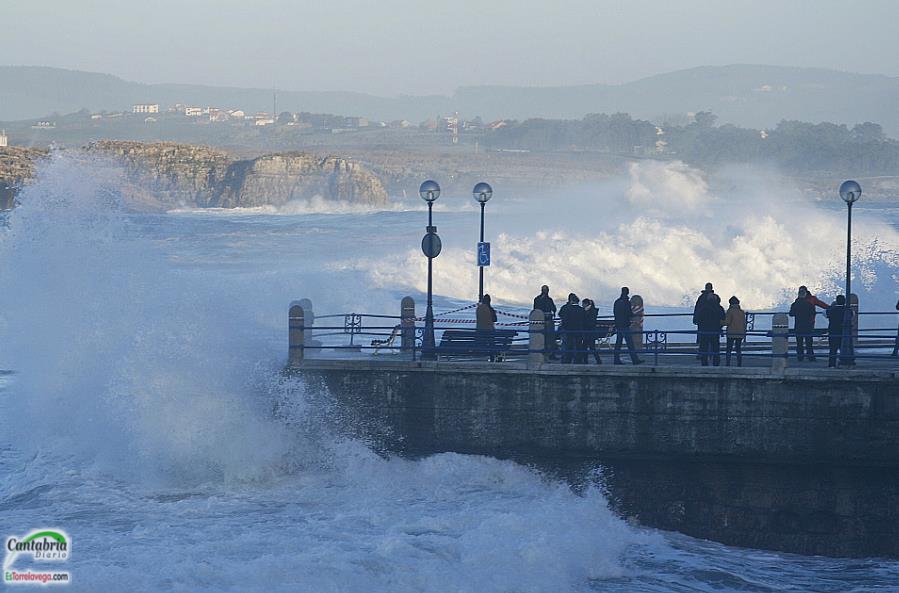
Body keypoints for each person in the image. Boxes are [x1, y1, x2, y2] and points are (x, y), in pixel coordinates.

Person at [613, 287, 643, 365]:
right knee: (630, 343)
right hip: (625, 325)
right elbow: (629, 313)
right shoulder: (627, 302)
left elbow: (615, 313)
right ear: (628, 292)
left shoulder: (617, 302)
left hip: (618, 324)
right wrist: (635, 315)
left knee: (618, 343)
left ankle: (616, 359)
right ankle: (634, 359)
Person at [696, 294, 726, 366]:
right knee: (715, 348)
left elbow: (698, 319)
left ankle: (704, 363)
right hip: (715, 331)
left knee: (704, 347)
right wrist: (719, 327)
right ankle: (716, 363)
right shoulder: (719, 308)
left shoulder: (703, 308)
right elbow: (723, 319)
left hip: (705, 331)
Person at [789, 287, 817, 361]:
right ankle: (811, 357)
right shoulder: (809, 304)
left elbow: (791, 314)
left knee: (799, 343)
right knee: (809, 343)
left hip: (798, 326)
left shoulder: (795, 304)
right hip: (808, 326)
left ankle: (800, 357)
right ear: (805, 295)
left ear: (798, 295)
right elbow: (813, 313)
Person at [558, 293, 586, 364]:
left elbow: (563, 318)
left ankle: (567, 360)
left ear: (571, 301)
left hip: (569, 330)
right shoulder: (582, 310)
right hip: (579, 330)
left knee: (568, 346)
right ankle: (578, 360)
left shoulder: (567, 308)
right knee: (578, 346)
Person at [534, 285, 558, 359]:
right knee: (549, 339)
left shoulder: (537, 299)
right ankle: (550, 354)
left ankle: (547, 354)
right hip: (547, 321)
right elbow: (554, 309)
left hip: (541, 322)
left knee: (545, 339)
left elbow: (535, 310)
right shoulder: (548, 299)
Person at [724, 296, 746, 367]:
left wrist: (720, 322)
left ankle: (728, 363)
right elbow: (744, 323)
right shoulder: (741, 312)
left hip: (731, 332)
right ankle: (739, 363)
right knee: (738, 349)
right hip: (740, 332)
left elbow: (727, 322)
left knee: (729, 349)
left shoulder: (730, 311)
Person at [476, 293, 498, 361]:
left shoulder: (478, 308)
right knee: (492, 343)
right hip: (489, 332)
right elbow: (495, 319)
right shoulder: (490, 309)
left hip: (479, 332)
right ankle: (492, 357)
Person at [826, 295, 846, 368]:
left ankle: (832, 364)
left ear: (836, 301)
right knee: (843, 348)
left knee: (832, 349)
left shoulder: (832, 310)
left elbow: (824, 313)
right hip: (843, 332)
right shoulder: (846, 310)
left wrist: (832, 306)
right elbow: (852, 314)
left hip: (833, 331)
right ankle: (843, 363)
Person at [582, 298, 602, 364]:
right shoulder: (592, 311)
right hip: (591, 332)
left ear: (586, 304)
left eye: (583, 304)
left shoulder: (589, 311)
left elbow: (589, 322)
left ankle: (587, 361)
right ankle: (597, 360)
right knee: (590, 347)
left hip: (589, 331)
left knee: (588, 347)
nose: (582, 305)